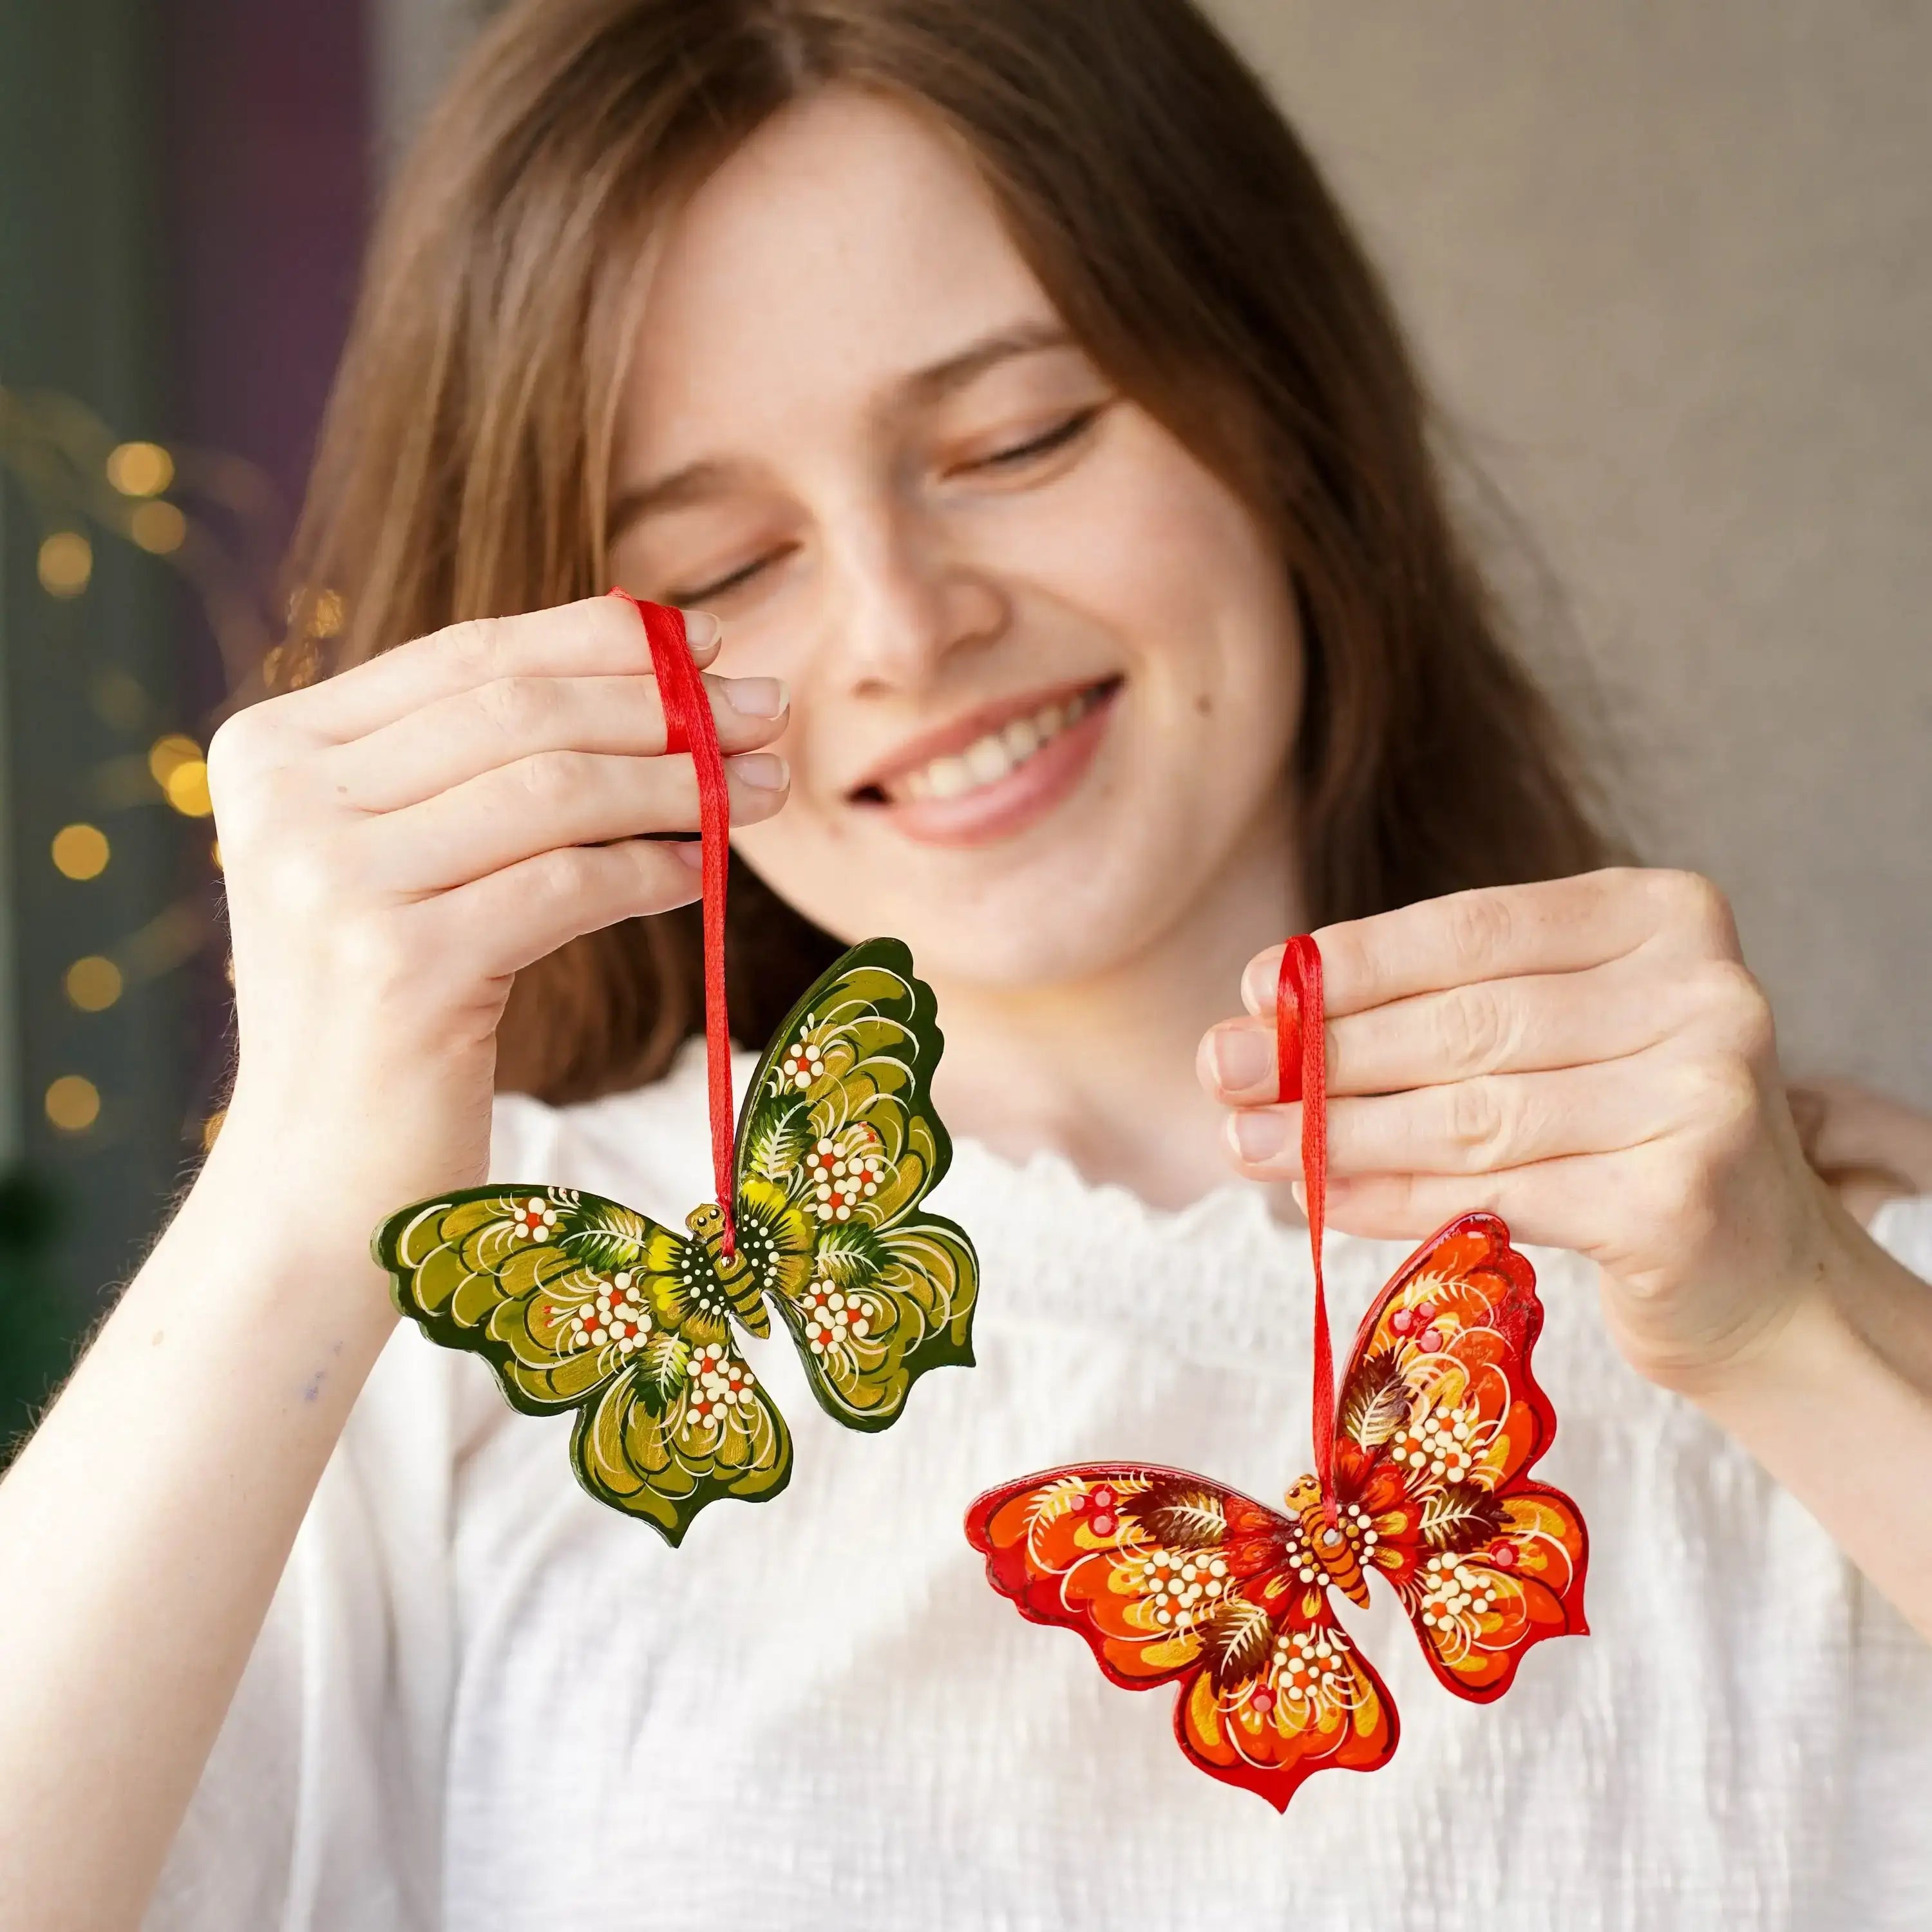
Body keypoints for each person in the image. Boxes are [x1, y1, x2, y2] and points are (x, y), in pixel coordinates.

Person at [2, 3, 1929, 1926]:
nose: (905, 631)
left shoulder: (1791, 1267)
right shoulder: (462, 1329)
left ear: (1286, 391)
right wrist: (296, 1190)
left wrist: (1804, 1338)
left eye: (1020, 438)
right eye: (720, 566)